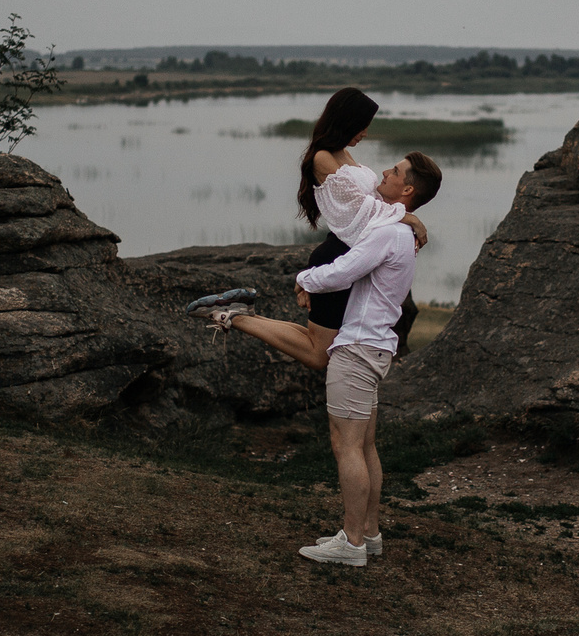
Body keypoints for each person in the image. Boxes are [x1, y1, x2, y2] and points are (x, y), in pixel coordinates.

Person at [189, 87, 425, 370]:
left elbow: (371, 203)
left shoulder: (344, 155)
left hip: (347, 254)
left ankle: (237, 313)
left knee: (320, 343)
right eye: (363, 126)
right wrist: (408, 217)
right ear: (347, 120)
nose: (364, 133)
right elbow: (360, 213)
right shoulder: (322, 158)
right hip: (336, 255)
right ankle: (235, 317)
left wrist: (402, 217)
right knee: (318, 354)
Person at [281, 152, 440, 566]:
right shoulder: (400, 233)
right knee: (365, 446)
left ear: (406, 189)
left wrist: (303, 280)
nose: (384, 173)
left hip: (355, 349)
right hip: (372, 346)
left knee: (346, 445)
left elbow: (342, 271)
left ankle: (350, 544)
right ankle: (369, 534)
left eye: (393, 172)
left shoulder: (389, 235)